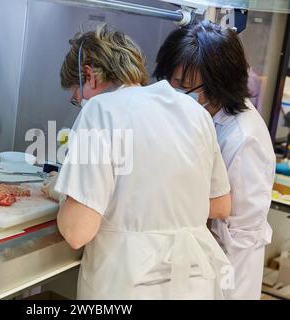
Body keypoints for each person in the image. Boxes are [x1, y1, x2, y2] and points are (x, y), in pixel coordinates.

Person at [42, 24, 232, 299]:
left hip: (129, 286)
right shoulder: (193, 110)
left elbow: (76, 231)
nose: (79, 104)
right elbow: (219, 203)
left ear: (89, 77)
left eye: (76, 97)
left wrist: (63, 193)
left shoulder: (101, 109)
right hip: (194, 284)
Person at [153, 20, 276, 300]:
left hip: (228, 270)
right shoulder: (203, 116)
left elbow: (237, 224)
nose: (176, 96)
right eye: (170, 84)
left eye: (185, 87)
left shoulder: (245, 137)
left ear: (219, 83)